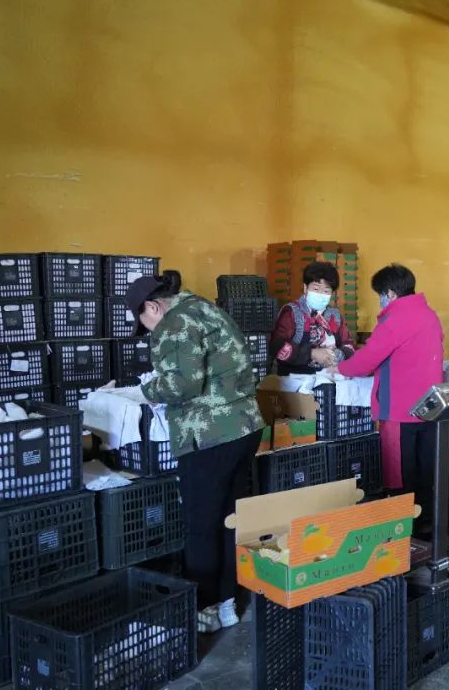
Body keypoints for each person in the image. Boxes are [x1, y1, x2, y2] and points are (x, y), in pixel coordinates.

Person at [125, 271, 264, 634]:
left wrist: (143, 391)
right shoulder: (206, 308)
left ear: (152, 307)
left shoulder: (174, 322)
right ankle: (229, 603)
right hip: (244, 426)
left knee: (201, 525)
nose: (149, 332)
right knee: (230, 518)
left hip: (209, 434)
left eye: (144, 323)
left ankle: (204, 608)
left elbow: (181, 385)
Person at [336, 264, 444, 535]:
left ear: (391, 293)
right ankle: (427, 526)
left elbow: (367, 360)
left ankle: (404, 531)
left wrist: (339, 368)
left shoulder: (396, 319)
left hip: (399, 409)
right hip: (430, 408)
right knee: (426, 471)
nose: (381, 301)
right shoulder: (429, 314)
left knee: (400, 475)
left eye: (380, 295)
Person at [272, 261, 355, 375]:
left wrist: (339, 354)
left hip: (328, 375)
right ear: (305, 288)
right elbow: (276, 346)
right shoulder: (292, 312)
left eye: (326, 291)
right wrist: (311, 353)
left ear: (332, 293)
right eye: (316, 289)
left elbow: (349, 345)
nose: (321, 294)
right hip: (294, 377)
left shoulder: (335, 315)